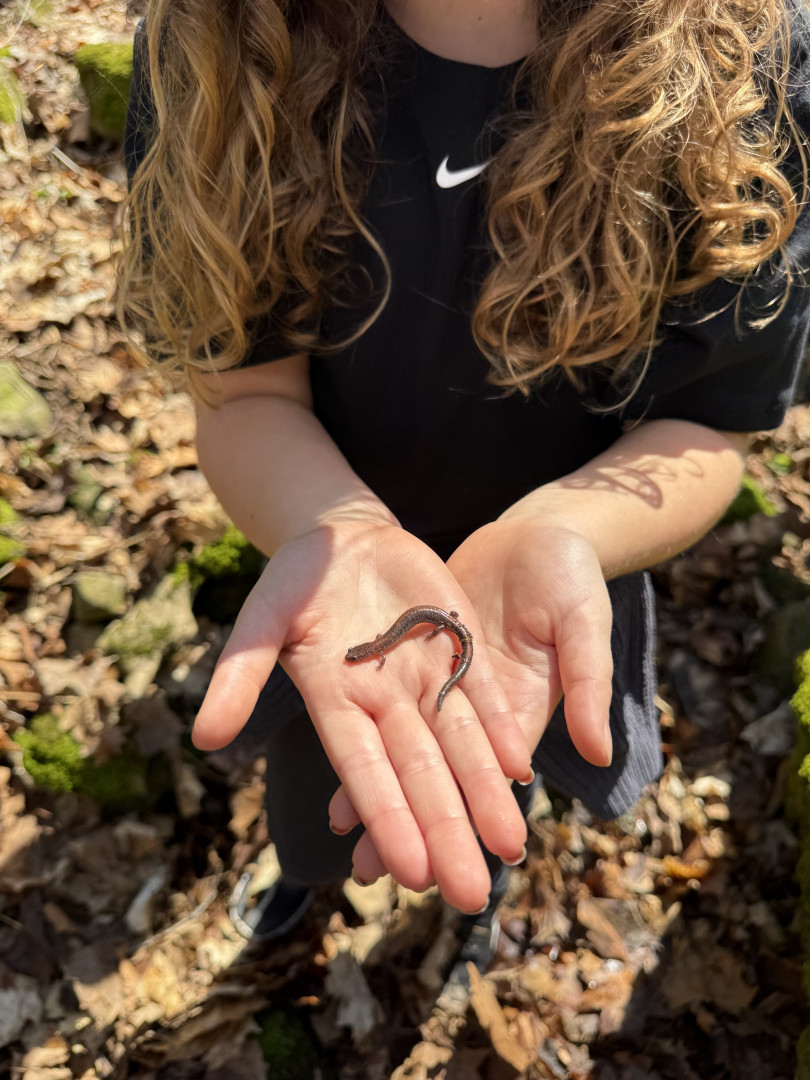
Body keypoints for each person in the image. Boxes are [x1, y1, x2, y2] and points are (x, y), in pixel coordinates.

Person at [119, 0, 810, 976]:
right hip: (328, 568)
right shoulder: (214, 42)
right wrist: (338, 528)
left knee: (491, 771)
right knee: (325, 774)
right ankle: (306, 877)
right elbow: (243, 393)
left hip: (543, 593)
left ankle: (472, 902)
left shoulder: (754, 66)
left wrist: (569, 529)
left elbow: (715, 422)